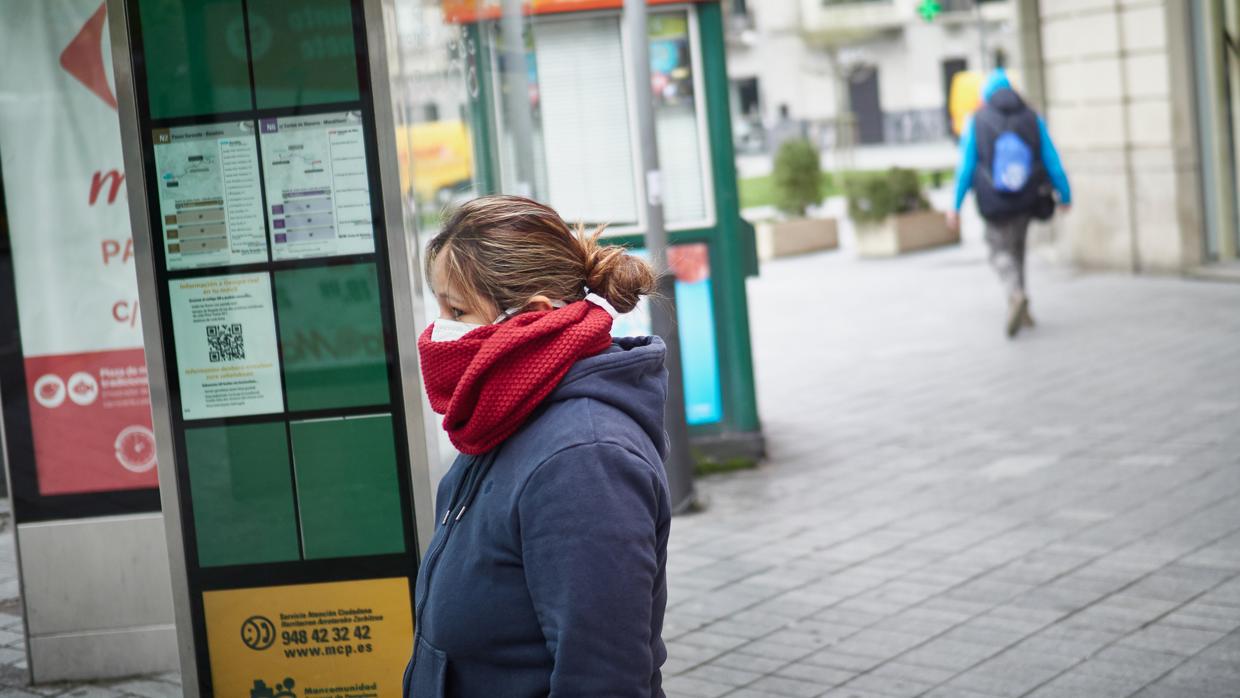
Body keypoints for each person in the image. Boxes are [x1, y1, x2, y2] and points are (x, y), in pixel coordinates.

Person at [404, 195, 671, 697]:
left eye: (456, 309)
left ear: (531, 316)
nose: (438, 330)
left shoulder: (584, 460)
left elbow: (603, 678)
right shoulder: (506, 411)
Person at [948, 68, 1072, 338]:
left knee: (998, 252)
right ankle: (1022, 307)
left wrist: (955, 206)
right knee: (1017, 251)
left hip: (993, 199)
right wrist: (1065, 193)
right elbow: (1052, 159)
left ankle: (1015, 294)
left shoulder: (977, 120)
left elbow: (966, 167)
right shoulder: (1031, 117)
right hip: (1027, 197)